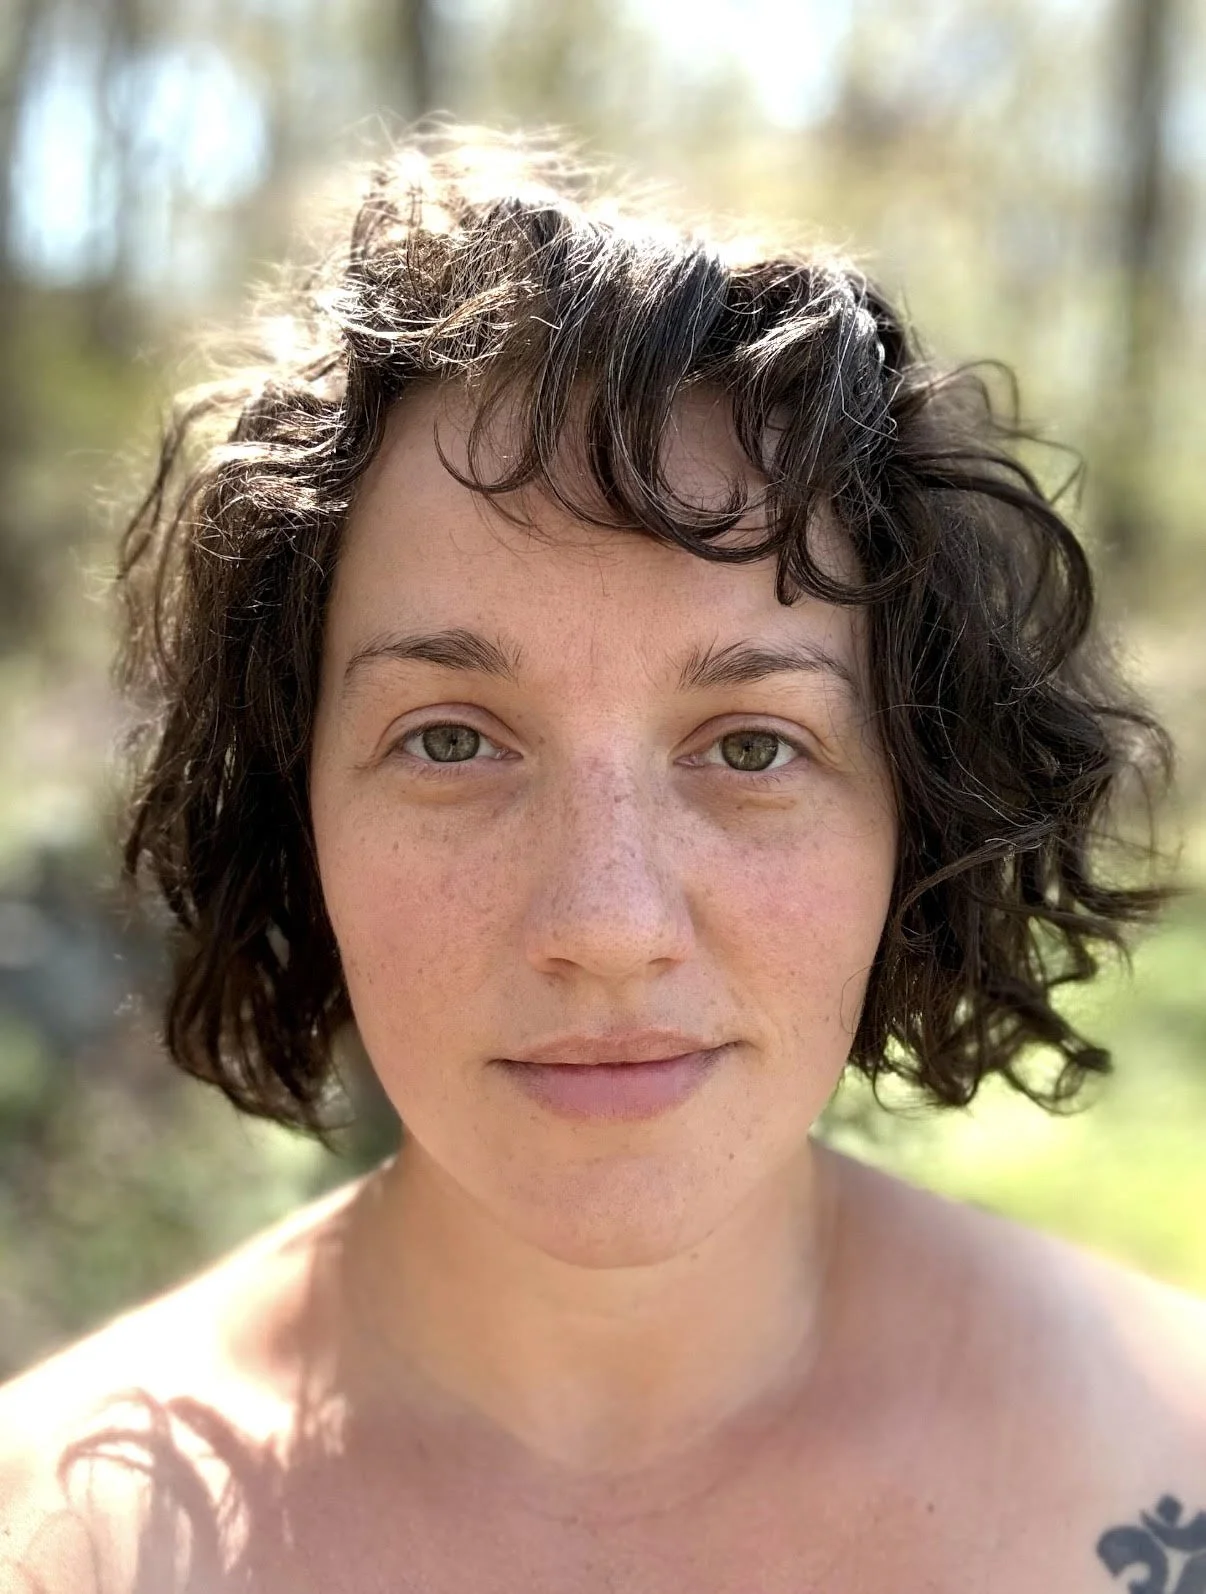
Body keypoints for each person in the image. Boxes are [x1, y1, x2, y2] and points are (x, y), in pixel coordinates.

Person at [1, 125, 1204, 1594]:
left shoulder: (1168, 1470)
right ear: (289, 802)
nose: (607, 922)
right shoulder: (54, 1541)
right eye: (451, 739)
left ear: (918, 810)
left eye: (751, 745)